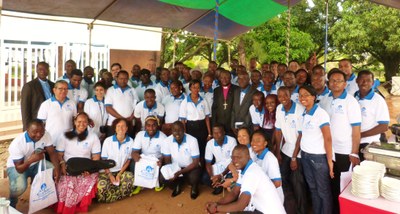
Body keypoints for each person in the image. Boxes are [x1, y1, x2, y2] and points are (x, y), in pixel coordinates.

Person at [319, 69, 361, 214]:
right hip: (327, 150)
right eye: (332, 80)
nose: (335, 83)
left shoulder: (351, 102)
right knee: (331, 183)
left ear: (345, 84)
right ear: (328, 83)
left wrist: (354, 153)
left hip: (344, 151)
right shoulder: (325, 100)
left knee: (343, 186)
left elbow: (356, 130)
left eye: (339, 81)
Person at [205, 144, 286, 214]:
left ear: (248, 157)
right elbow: (234, 193)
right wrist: (216, 204)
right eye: (233, 158)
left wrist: (216, 208)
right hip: (261, 210)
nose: (235, 161)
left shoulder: (251, 173)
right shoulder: (245, 170)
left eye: (239, 157)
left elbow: (240, 205)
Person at [7, 119, 60, 208]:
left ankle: (38, 195)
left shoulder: (46, 135)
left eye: (41, 132)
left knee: (52, 170)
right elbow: (19, 169)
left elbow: (52, 153)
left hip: (35, 164)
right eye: (35, 132)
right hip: (17, 167)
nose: (39, 135)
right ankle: (11, 202)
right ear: (27, 130)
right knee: (19, 187)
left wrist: (57, 169)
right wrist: (31, 160)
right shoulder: (17, 143)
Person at [297, 85, 334, 214]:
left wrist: (329, 161)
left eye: (306, 95)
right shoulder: (304, 113)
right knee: (313, 189)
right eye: (300, 95)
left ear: (313, 97)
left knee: (323, 191)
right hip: (305, 156)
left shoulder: (321, 113)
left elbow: (328, 138)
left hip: (318, 158)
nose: (302, 98)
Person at [55, 112, 101, 213]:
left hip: (86, 168)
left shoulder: (93, 137)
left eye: (85, 122)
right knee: (66, 184)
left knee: (89, 179)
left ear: (88, 123)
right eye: (79, 121)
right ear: (75, 122)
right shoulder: (65, 135)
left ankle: (80, 206)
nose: (82, 124)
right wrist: (62, 164)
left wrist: (90, 170)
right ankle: (67, 207)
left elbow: (96, 157)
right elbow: (59, 154)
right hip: (68, 167)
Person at [274, 86, 308, 214]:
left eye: (285, 95)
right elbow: (278, 132)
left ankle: (301, 211)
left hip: (298, 152)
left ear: (290, 95)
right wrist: (277, 152)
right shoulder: (279, 109)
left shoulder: (300, 110)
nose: (283, 99)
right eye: (280, 96)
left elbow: (301, 135)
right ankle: (289, 208)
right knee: (283, 178)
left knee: (298, 183)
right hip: (285, 149)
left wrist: (294, 157)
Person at [97, 118, 135, 203]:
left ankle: (111, 195)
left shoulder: (131, 141)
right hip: (106, 171)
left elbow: (128, 161)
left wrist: (119, 174)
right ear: (115, 128)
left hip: (120, 171)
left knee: (130, 179)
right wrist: (110, 175)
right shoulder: (108, 141)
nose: (121, 129)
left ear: (127, 128)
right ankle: (118, 194)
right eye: (118, 126)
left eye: (123, 126)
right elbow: (104, 161)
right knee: (101, 186)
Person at [355, 70, 390, 161]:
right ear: (357, 81)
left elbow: (384, 127)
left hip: (369, 143)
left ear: (373, 83)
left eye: (368, 80)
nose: (365, 82)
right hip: (353, 143)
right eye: (362, 79)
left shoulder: (378, 100)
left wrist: (360, 135)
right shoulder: (354, 97)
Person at [161, 121, 202, 199]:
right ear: (171, 131)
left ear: (184, 130)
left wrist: (180, 172)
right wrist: (171, 172)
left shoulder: (193, 140)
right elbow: (167, 161)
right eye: (174, 130)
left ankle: (194, 187)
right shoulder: (166, 141)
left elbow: (196, 162)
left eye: (179, 130)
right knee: (162, 178)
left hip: (190, 167)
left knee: (194, 177)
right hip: (176, 168)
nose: (177, 133)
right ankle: (177, 185)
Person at [131, 116, 167, 193]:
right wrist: (135, 156)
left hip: (157, 161)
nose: (151, 128)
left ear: (157, 125)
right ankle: (139, 184)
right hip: (144, 160)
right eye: (148, 125)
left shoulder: (163, 137)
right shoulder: (140, 135)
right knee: (133, 164)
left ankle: (158, 183)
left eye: (154, 125)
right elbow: (134, 151)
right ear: (145, 126)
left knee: (163, 175)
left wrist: (161, 160)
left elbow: (166, 155)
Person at [179, 79, 212, 162]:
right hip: (190, 127)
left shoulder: (203, 101)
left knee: (202, 147)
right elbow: (183, 121)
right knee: (192, 148)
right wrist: (185, 134)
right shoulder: (185, 102)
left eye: (198, 87)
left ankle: (202, 166)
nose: (196, 90)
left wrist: (209, 133)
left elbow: (207, 118)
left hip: (202, 126)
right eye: (194, 87)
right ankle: (194, 165)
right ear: (190, 88)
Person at [37, 80, 77, 147]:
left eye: (65, 89)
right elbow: (41, 124)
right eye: (60, 89)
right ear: (54, 90)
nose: (63, 91)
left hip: (68, 141)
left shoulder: (72, 103)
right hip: (52, 141)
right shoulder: (46, 104)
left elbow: (74, 120)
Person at [251, 130, 284, 202]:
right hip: (262, 194)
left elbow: (277, 183)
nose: (254, 143)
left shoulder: (270, 158)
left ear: (265, 143)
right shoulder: (256, 156)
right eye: (253, 140)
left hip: (272, 198)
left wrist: (257, 190)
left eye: (258, 140)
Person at [21, 61, 55, 131]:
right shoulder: (29, 86)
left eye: (45, 69)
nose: (43, 71)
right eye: (40, 69)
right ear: (36, 70)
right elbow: (25, 108)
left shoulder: (53, 85)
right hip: (37, 121)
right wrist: (27, 127)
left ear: (48, 71)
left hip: (51, 120)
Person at [204, 124, 237, 195]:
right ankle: (218, 185)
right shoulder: (210, 144)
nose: (217, 135)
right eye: (214, 133)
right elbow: (208, 163)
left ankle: (222, 184)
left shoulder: (232, 141)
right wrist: (212, 177)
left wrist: (221, 175)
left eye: (219, 132)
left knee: (231, 179)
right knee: (205, 178)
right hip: (218, 167)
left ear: (224, 132)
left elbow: (233, 162)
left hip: (230, 168)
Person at [105, 70, 138, 137]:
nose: (123, 81)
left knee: (128, 144)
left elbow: (136, 106)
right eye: (121, 79)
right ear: (117, 78)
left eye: (125, 79)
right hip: (113, 124)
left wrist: (131, 117)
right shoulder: (111, 90)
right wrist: (122, 119)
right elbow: (108, 108)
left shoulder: (132, 90)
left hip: (129, 124)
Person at [212, 70, 238, 137]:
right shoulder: (216, 90)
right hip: (220, 123)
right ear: (219, 78)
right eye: (222, 77)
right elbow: (214, 108)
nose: (224, 79)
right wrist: (214, 124)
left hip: (232, 123)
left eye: (227, 77)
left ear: (230, 78)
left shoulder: (236, 89)